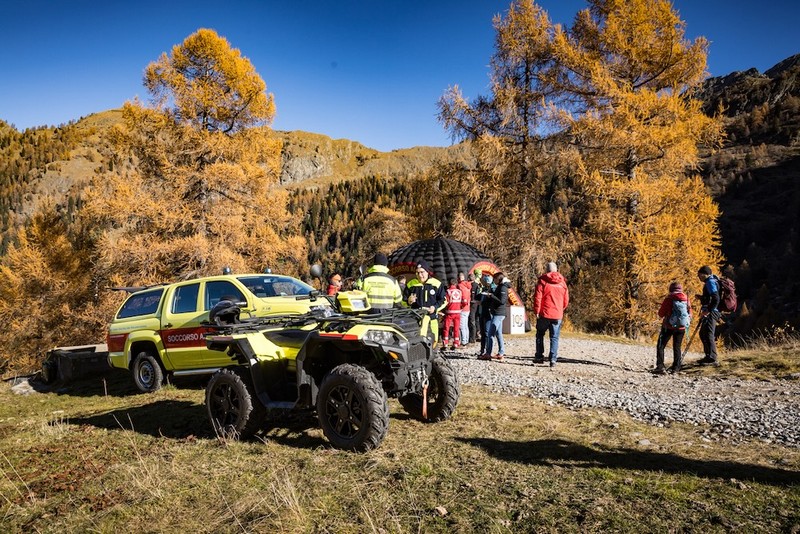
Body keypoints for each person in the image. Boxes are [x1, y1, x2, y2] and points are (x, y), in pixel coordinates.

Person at [533, 262, 569, 368]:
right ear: (556, 270)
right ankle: (553, 359)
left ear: (547, 270)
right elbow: (566, 300)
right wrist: (561, 309)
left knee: (540, 334)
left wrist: (537, 311)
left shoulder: (543, 281)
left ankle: (539, 356)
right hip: (557, 314)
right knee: (554, 337)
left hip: (544, 313)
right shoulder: (563, 283)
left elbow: (537, 298)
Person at [403, 259, 447, 343]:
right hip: (415, 319)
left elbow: (444, 300)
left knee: (433, 342)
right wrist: (408, 302)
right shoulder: (410, 285)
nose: (420, 275)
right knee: (417, 343)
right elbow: (403, 302)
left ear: (427, 272)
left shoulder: (436, 284)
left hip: (432, 319)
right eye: (417, 272)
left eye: (422, 272)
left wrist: (435, 307)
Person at [654, 282, 692, 374]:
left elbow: (661, 314)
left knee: (661, 345)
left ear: (670, 289)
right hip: (682, 327)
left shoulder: (669, 299)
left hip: (668, 326)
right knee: (677, 347)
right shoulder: (686, 299)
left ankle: (660, 367)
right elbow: (690, 313)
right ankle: (676, 368)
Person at [480, 272, 510, 361]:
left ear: (499, 279)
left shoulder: (503, 287)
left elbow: (502, 301)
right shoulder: (500, 286)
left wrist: (491, 296)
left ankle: (488, 353)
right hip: (497, 312)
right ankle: (501, 352)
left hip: (499, 313)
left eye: (495, 279)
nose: (494, 281)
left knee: (490, 334)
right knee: (498, 333)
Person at [697, 265, 721, 365]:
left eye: (700, 275)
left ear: (705, 274)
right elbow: (711, 298)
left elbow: (716, 298)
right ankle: (708, 356)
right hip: (712, 311)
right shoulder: (712, 281)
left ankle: (712, 358)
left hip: (712, 312)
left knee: (708, 333)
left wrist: (708, 311)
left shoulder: (710, 282)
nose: (699, 277)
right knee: (703, 333)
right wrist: (702, 298)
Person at [476, 272, 495, 357]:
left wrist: (483, 302)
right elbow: (477, 297)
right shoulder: (482, 289)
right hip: (482, 313)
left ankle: (488, 351)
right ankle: (482, 350)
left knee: (487, 332)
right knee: (483, 333)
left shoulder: (492, 290)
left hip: (488, 314)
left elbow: (493, 301)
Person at [443, 278, 463, 349]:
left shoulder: (448, 292)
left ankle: (445, 343)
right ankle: (456, 343)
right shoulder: (459, 292)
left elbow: (446, 302)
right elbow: (463, 302)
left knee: (446, 328)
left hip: (449, 312)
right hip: (458, 312)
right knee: (456, 328)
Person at [457, 271, 472, 348]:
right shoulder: (468, 285)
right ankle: (466, 340)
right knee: (465, 325)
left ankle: (463, 342)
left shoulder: (460, 286)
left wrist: (461, 305)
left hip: (462, 308)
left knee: (462, 325)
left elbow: (463, 297)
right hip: (468, 308)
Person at [468, 270, 481, 344]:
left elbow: (478, 294)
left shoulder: (475, 285)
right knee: (475, 319)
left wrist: (474, 300)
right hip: (475, 303)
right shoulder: (477, 284)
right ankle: (476, 335)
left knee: (472, 320)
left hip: (473, 304)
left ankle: (473, 338)